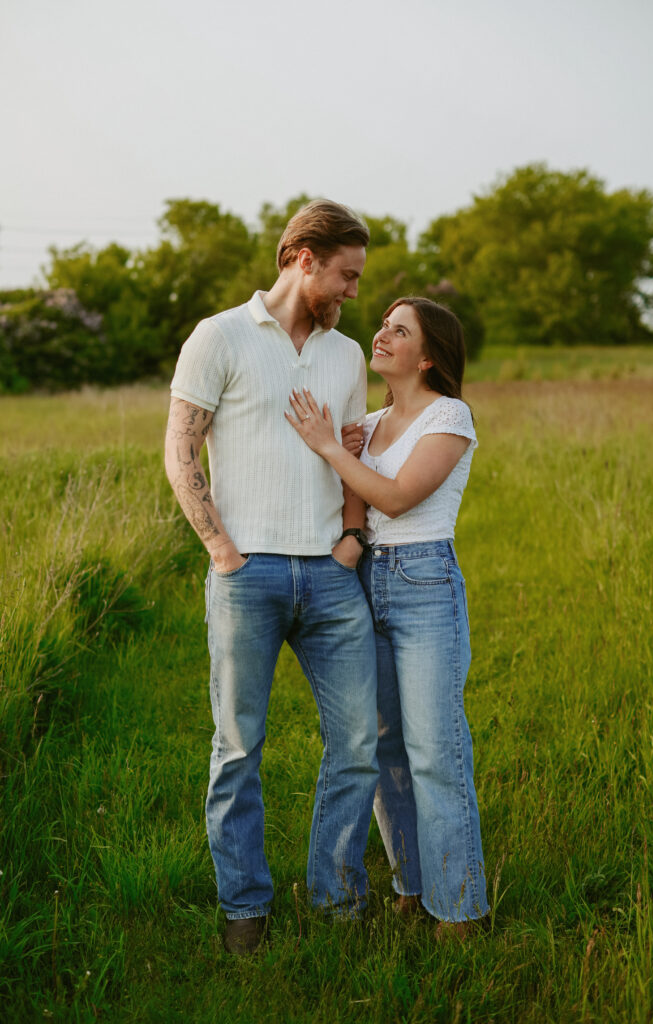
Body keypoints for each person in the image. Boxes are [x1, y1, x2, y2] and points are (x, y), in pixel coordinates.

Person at [165, 200, 379, 955]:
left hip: (330, 574)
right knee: (237, 749)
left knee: (358, 741)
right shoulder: (218, 336)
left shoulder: (346, 356)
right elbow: (181, 452)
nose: (353, 292)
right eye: (346, 276)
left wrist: (352, 538)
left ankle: (335, 899)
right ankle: (244, 908)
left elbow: (352, 454)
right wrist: (222, 550)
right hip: (246, 574)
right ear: (302, 258)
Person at [286, 296, 489, 937]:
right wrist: (341, 447)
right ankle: (412, 884)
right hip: (366, 582)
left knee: (436, 749)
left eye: (398, 331)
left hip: (425, 581)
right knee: (384, 746)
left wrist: (328, 448)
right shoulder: (368, 425)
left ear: (427, 356)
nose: (380, 334)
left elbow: (398, 499)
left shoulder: (449, 415)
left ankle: (460, 910)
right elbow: (355, 498)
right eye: (382, 324)